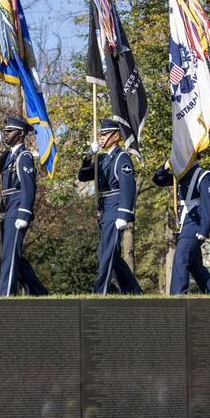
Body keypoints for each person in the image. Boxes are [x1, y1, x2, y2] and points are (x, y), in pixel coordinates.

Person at [0, 116, 49, 296]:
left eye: (9, 131)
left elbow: (29, 186)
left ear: (21, 133)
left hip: (17, 207)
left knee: (9, 254)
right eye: (5, 131)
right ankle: (38, 291)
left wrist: (24, 214)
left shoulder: (24, 156)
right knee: (12, 252)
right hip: (7, 207)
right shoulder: (8, 155)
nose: (6, 135)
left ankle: (6, 294)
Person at [76, 118, 142, 294]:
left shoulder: (122, 157)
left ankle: (101, 291)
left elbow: (128, 187)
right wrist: (89, 156)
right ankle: (133, 291)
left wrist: (124, 213)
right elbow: (82, 176)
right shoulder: (102, 158)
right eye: (101, 134)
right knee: (107, 252)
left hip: (116, 207)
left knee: (106, 254)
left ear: (116, 136)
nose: (102, 138)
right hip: (104, 208)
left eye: (105, 134)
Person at [152, 157, 210, 295]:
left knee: (181, 259)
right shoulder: (180, 174)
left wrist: (204, 229)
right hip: (183, 223)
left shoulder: (203, 175)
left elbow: (208, 205)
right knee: (196, 267)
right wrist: (165, 166)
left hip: (195, 222)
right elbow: (158, 180)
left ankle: (177, 297)